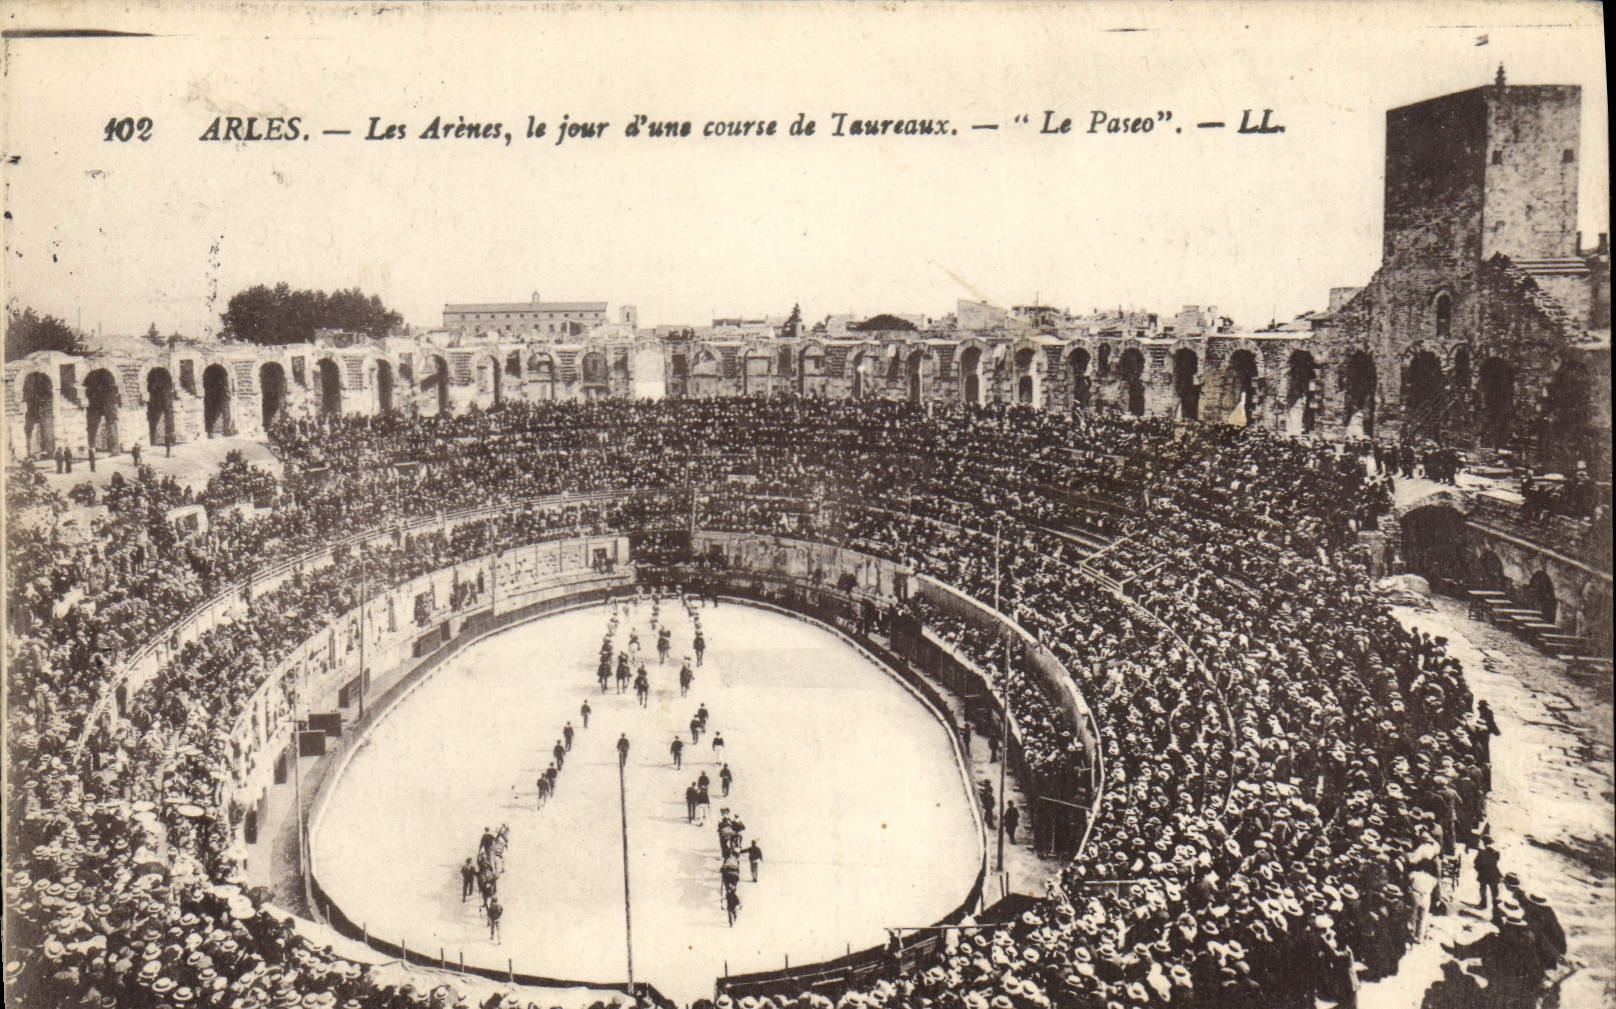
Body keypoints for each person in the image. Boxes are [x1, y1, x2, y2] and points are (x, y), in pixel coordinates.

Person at [1474, 838, 1502, 911]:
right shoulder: (1496, 853)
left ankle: (1483, 904)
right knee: (1494, 891)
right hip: (1493, 874)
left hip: (1484, 874)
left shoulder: (1481, 852)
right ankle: (1496, 906)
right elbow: (1497, 858)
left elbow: (1476, 863)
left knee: (1483, 889)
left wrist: (1479, 870)